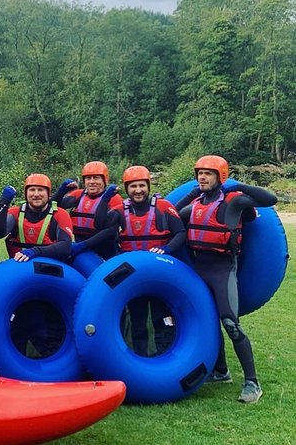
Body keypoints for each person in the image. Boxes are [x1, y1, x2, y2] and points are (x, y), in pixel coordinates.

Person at [176, 155, 277, 404]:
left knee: (230, 324)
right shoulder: (196, 205)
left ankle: (252, 382)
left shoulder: (234, 202)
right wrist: (191, 194)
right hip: (200, 269)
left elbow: (270, 199)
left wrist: (240, 185)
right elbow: (175, 213)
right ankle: (221, 371)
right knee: (209, 322)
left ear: (220, 177)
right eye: (199, 173)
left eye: (208, 173)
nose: (202, 177)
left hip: (223, 270)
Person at [107, 166, 185, 356]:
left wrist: (166, 250)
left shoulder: (164, 207)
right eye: (133, 186)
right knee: (137, 315)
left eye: (142, 185)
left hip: (159, 272)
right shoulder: (118, 212)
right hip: (133, 275)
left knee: (162, 313)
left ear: (148, 186)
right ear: (127, 189)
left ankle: (166, 351)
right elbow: (107, 238)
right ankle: (140, 354)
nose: (138, 190)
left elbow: (180, 233)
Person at [0, 174, 73, 356]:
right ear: (26, 193)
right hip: (20, 280)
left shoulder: (60, 214)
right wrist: (3, 203)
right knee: (19, 324)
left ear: (48, 193)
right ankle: (16, 363)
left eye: (41, 190)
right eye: (32, 190)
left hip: (48, 280)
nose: (36, 194)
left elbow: (65, 246)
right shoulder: (15, 212)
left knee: (47, 327)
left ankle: (50, 361)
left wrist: (35, 252)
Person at [53, 161, 124, 260]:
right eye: (88, 178)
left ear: (105, 180)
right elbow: (52, 207)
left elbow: (111, 231)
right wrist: (61, 192)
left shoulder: (114, 198)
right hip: (80, 247)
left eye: (96, 178)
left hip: (105, 250)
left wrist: (83, 245)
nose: (91, 182)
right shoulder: (78, 194)